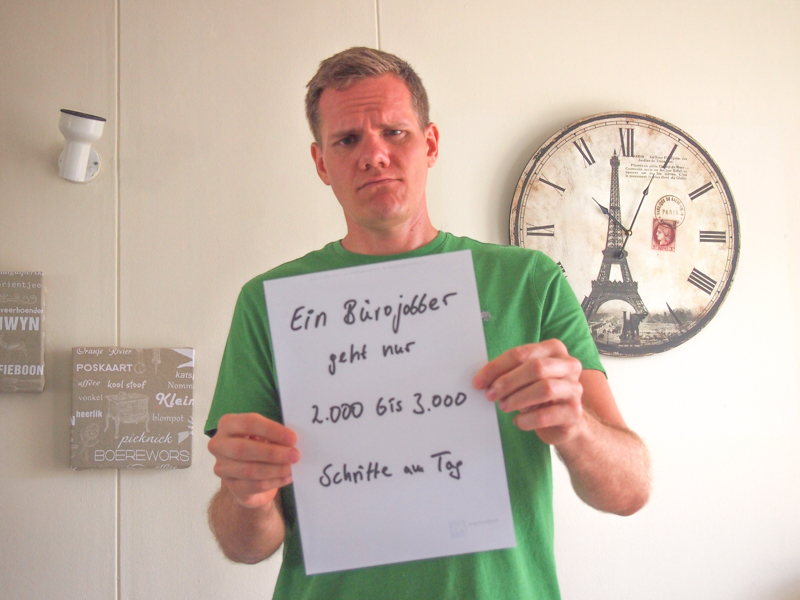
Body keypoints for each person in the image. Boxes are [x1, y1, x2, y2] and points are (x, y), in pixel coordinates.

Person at [205, 47, 650, 599]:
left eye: (395, 133)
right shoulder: (268, 302)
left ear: (430, 144)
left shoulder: (528, 281)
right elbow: (245, 546)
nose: (374, 155)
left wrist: (576, 427)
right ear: (321, 163)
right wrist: (248, 496)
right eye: (347, 140)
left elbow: (629, 492)